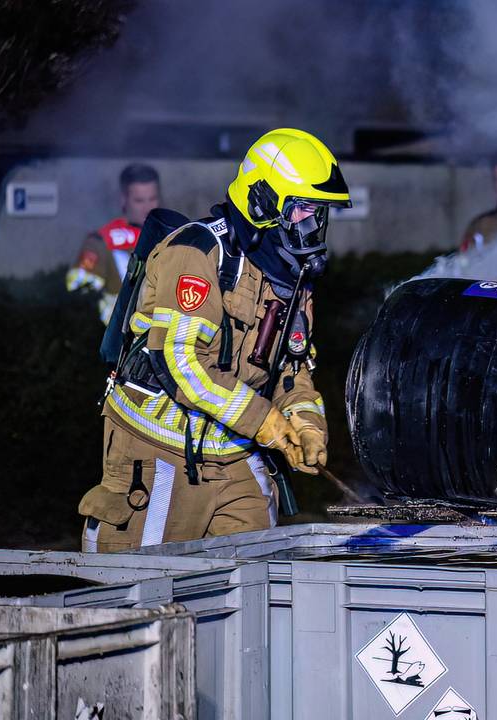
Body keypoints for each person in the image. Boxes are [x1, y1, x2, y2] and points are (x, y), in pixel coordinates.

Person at [78, 128, 350, 552]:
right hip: (159, 450)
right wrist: (265, 421)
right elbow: (182, 363)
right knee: (141, 580)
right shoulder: (197, 253)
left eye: (319, 214)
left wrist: (306, 425)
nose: (312, 226)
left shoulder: (293, 279)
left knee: (253, 573)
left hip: (235, 454)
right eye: (302, 210)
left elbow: (292, 369)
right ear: (262, 203)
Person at [66, 164, 162, 324]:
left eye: (152, 199)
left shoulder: (172, 238)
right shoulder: (102, 241)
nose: (147, 208)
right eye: (139, 201)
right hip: (116, 332)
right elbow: (80, 295)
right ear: (123, 199)